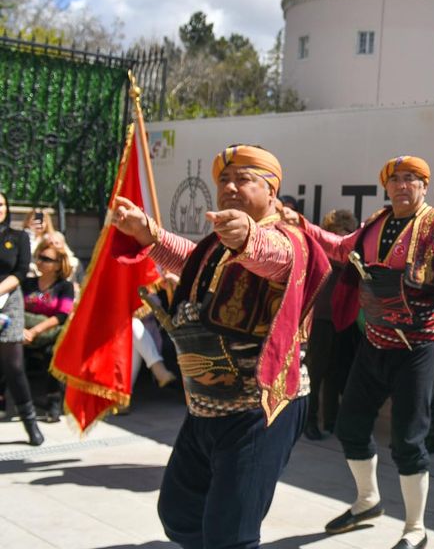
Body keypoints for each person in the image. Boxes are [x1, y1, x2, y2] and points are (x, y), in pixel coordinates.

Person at [111, 144, 329, 549]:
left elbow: (277, 261)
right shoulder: (218, 242)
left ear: (271, 189)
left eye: (242, 179)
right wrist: (148, 233)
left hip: (258, 410)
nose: (229, 186)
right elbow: (194, 259)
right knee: (178, 514)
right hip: (204, 407)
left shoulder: (289, 239)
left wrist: (249, 239)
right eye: (224, 180)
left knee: (231, 534)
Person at [288, 155, 434, 549]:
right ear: (387, 187)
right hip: (375, 342)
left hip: (419, 346)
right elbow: (340, 248)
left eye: (411, 179)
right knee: (350, 426)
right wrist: (301, 226)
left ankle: (415, 529)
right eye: (396, 179)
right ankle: (367, 501)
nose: (402, 186)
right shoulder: (374, 224)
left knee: (408, 439)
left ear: (424, 185)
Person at [302, 208, 360, 441]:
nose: (342, 237)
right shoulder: (322, 251)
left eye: (347, 232)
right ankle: (309, 422)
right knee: (315, 373)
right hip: (321, 318)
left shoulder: (350, 255)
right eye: (338, 232)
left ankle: (332, 421)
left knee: (336, 373)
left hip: (342, 319)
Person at [0, 190, 41, 445]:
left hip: (9, 302)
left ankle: (30, 422)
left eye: (1, 203)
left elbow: (21, 270)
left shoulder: (18, 237)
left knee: (14, 365)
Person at [21, 237, 77, 420]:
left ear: (58, 265)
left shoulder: (65, 287)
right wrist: (23, 330)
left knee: (53, 353)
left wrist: (35, 331)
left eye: (45, 259)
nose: (39, 261)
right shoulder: (27, 283)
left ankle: (53, 403)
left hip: (51, 334)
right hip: (23, 332)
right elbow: (17, 309)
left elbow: (61, 316)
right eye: (39, 257)